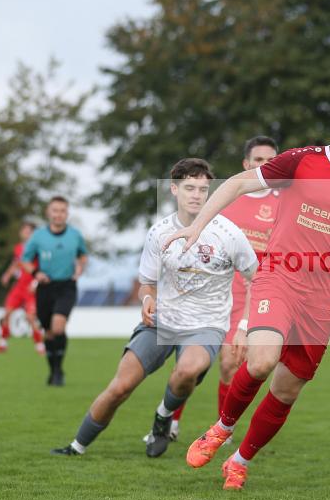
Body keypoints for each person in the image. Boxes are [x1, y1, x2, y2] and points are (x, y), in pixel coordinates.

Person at [165, 93, 330, 490]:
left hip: (323, 297)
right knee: (260, 362)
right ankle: (222, 427)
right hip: (279, 277)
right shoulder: (301, 161)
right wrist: (197, 225)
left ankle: (240, 461)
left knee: (287, 390)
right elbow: (237, 184)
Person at [51, 159, 257, 457]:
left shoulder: (229, 233)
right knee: (120, 387)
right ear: (174, 189)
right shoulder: (159, 232)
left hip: (206, 325)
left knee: (188, 370)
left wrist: (244, 326)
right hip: (162, 321)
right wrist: (147, 300)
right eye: (189, 188)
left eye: (202, 189)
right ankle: (76, 447)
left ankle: (163, 416)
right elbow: (146, 283)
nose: (197, 195)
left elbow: (257, 279)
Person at [161, 136, 281, 444]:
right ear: (246, 164)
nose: (265, 166)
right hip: (216, 292)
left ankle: (221, 430)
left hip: (256, 295)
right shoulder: (228, 198)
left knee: (231, 363)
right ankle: (171, 421)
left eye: (271, 161)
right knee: (191, 363)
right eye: (258, 160)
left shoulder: (284, 204)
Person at [20, 197, 88, 386]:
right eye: (55, 210)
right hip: (45, 287)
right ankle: (53, 370)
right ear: (48, 213)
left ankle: (58, 371)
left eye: (62, 211)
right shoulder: (38, 236)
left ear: (67, 213)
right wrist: (36, 273)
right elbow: (24, 260)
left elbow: (83, 256)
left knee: (58, 326)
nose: (59, 214)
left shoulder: (75, 235)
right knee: (49, 332)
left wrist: (80, 267)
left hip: (66, 286)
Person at [0, 221, 44, 354]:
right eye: (24, 231)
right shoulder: (18, 248)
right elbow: (16, 263)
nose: (26, 233)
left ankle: (40, 346)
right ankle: (2, 344)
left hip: (31, 288)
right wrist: (7, 275)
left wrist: (35, 283)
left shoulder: (38, 249)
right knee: (7, 313)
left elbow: (43, 267)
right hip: (19, 287)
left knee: (30, 317)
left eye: (29, 231)